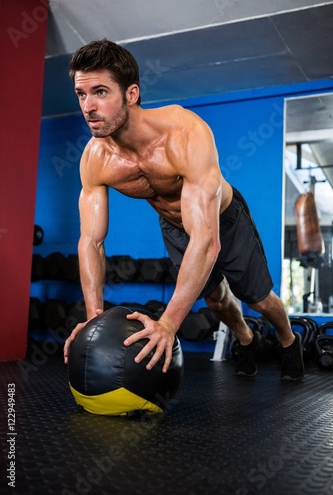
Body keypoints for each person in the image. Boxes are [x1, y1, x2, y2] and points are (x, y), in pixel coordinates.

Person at [63, 38, 304, 381]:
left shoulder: (184, 133)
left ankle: (287, 340)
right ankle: (247, 338)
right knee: (217, 301)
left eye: (100, 92)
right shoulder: (95, 159)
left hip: (223, 219)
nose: (88, 106)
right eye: (81, 94)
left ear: (131, 94)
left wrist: (167, 324)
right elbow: (91, 242)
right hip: (174, 226)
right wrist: (95, 318)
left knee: (259, 299)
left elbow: (207, 240)